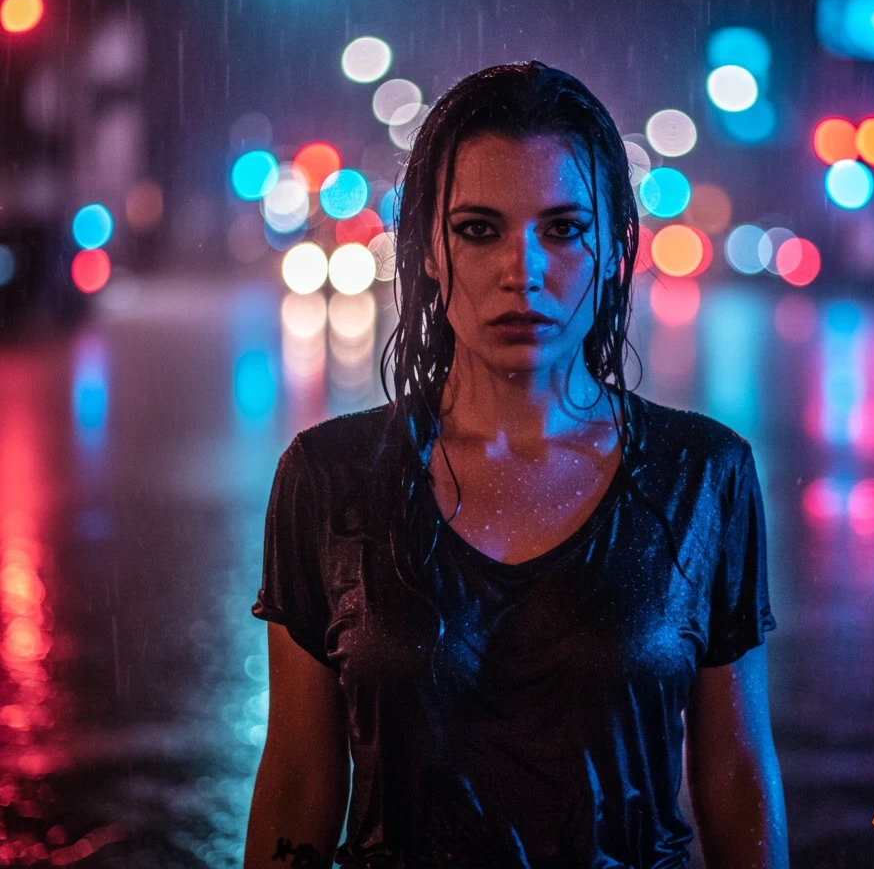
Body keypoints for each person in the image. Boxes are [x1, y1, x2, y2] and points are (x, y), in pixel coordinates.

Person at [244, 61, 789, 869]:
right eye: (478, 229)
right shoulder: (329, 480)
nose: (522, 272)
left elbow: (736, 773)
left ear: (616, 250)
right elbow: (297, 780)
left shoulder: (702, 476)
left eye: (563, 230)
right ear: (429, 250)